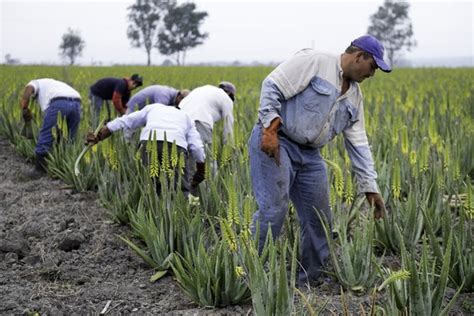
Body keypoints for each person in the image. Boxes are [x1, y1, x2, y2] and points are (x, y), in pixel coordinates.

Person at [248, 35, 391, 287]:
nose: (373, 73)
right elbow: (272, 86)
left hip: (310, 154)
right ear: (359, 56)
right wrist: (269, 130)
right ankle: (247, 275)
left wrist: (370, 187)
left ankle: (310, 279)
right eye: (373, 66)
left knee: (319, 217)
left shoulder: (355, 98)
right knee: (273, 209)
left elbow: (358, 143)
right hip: (277, 140)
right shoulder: (315, 61)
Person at [86, 103, 206, 195]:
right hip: (175, 145)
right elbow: (196, 147)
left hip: (147, 142)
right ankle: (177, 217)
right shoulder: (186, 116)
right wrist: (201, 170)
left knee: (149, 184)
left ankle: (150, 213)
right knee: (178, 187)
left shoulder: (153, 108)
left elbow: (127, 120)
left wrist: (100, 135)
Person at [20, 78, 82, 177]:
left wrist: (24, 108)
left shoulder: (35, 83)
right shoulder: (53, 84)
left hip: (59, 102)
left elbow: (28, 91)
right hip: (77, 102)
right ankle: (66, 167)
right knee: (69, 137)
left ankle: (39, 170)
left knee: (46, 134)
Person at [123, 85, 190, 140]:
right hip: (134, 109)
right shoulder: (164, 95)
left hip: (142, 111)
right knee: (128, 134)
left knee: (136, 136)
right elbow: (159, 114)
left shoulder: (171, 96)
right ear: (180, 97)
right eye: (182, 103)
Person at [178, 81, 236, 146]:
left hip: (180, 119)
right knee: (203, 151)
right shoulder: (226, 98)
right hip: (200, 120)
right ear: (229, 94)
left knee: (183, 150)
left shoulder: (205, 89)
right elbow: (228, 123)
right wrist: (229, 148)